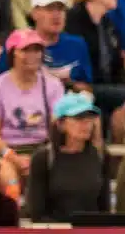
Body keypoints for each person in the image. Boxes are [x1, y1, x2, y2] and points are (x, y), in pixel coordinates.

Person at [20, 90, 111, 223]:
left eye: (90, 118)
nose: (86, 124)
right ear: (61, 124)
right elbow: (37, 212)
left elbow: (104, 209)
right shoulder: (44, 158)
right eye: (79, 118)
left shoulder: (101, 155)